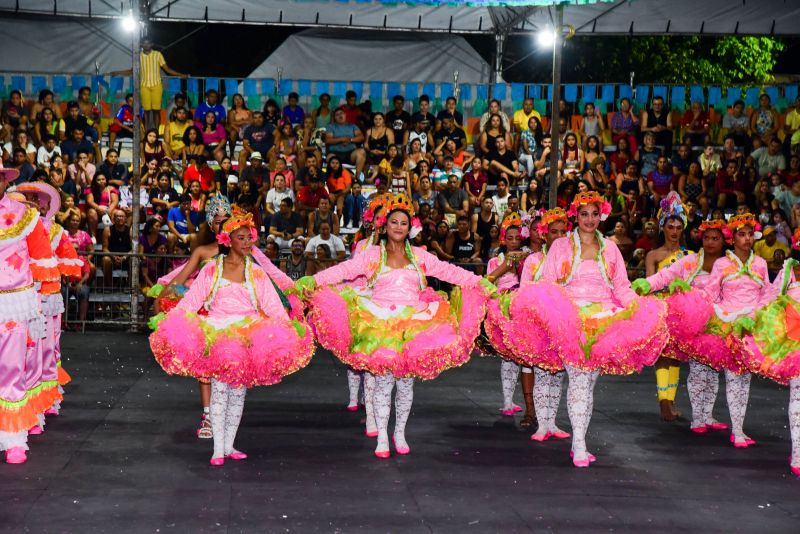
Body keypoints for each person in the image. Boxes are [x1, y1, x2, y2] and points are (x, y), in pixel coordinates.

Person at [296, 193, 495, 458]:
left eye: (403, 222)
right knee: (383, 382)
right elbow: (341, 271)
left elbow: (450, 271)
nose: (399, 227)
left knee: (405, 384)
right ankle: (381, 437)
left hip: (414, 323)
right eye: (394, 222)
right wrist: (313, 281)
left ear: (409, 227)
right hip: (378, 322)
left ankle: (399, 432)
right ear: (385, 226)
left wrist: (480, 282)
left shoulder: (420, 256)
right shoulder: (372, 255)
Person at [150, 208, 313, 466]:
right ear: (228, 240)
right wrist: (171, 321)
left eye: (250, 238)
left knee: (238, 393)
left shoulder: (257, 273)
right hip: (217, 335)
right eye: (241, 238)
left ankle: (229, 445)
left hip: (248, 337)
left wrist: (289, 327)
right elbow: (191, 302)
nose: (248, 243)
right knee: (220, 390)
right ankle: (217, 449)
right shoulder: (212, 270)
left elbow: (272, 306)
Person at [536, 190, 669, 467]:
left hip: (603, 319)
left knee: (588, 384)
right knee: (580, 382)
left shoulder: (610, 248)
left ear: (602, 215)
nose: (589, 219)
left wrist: (636, 308)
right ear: (576, 216)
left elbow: (621, 286)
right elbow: (548, 283)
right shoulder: (561, 246)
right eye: (584, 214)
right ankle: (580, 444)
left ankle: (579, 440)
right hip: (570, 317)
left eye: (594, 214)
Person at [633, 219, 728, 433]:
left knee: (713, 371)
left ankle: (708, 414)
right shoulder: (691, 260)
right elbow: (665, 275)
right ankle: (696, 418)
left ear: (724, 241)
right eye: (707, 238)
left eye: (716, 238)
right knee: (695, 370)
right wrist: (647, 284)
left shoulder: (728, 265)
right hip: (692, 321)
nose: (711, 242)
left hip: (718, 320)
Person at [490, 208, 572, 434]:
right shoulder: (533, 259)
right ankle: (530, 412)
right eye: (552, 231)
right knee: (530, 366)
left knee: (556, 372)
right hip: (535, 321)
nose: (557, 236)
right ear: (544, 234)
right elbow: (524, 290)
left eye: (562, 232)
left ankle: (550, 422)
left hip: (562, 322)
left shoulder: (572, 260)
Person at [0, 164, 61, 464]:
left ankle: (14, 440)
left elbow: (42, 260)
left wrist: (38, 305)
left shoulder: (26, 216)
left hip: (12, 301)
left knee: (12, 370)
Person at [739, 228, 800, 475]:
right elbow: (767, 299)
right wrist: (751, 318)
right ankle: (797, 454)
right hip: (795, 345)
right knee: (798, 400)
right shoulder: (788, 273)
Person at [640, 193, 689, 420]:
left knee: (677, 355)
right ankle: (663, 403)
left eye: (678, 226)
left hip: (683, 309)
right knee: (663, 354)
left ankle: (671, 400)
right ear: (663, 227)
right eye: (671, 226)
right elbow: (650, 284)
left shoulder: (690, 256)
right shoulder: (653, 254)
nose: (674, 230)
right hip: (661, 307)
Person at [481, 215, 530, 417]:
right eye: (509, 238)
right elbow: (488, 283)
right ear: (504, 239)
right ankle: (507, 401)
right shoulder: (495, 260)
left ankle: (512, 401)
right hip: (502, 306)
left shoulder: (528, 258)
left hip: (521, 306)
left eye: (516, 238)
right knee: (506, 355)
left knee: (519, 355)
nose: (513, 241)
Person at [325, 108, 366, 180]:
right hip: (335, 153)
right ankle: (350, 175)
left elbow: (361, 137)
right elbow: (328, 140)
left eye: (341, 113)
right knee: (330, 158)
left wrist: (350, 140)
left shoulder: (352, 126)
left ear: (345, 115)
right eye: (337, 115)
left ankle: (358, 176)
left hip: (350, 153)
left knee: (362, 152)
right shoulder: (331, 126)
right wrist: (341, 139)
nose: (340, 116)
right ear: (334, 118)